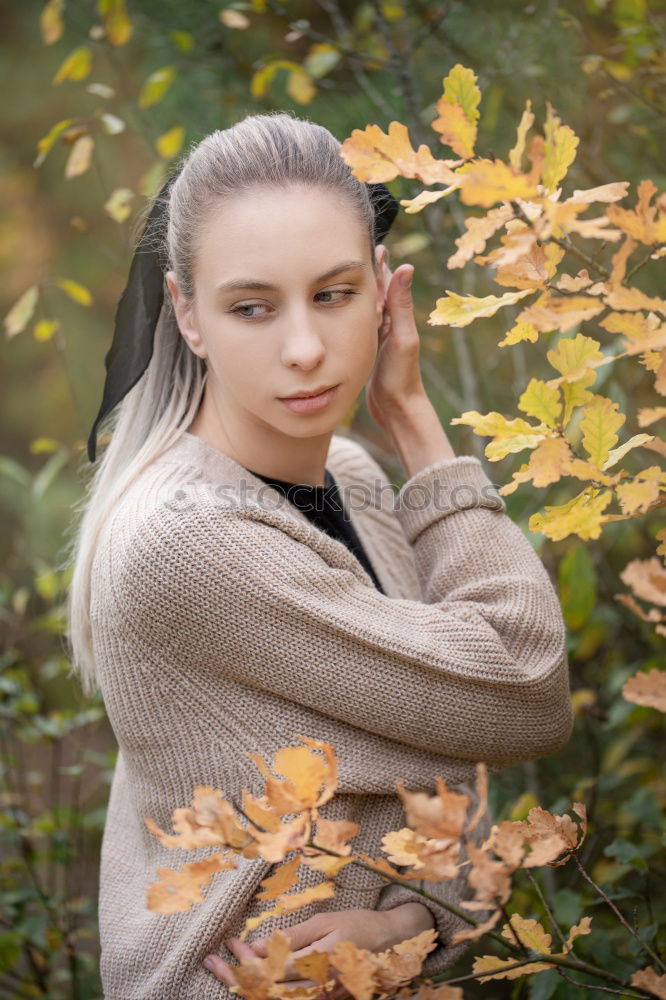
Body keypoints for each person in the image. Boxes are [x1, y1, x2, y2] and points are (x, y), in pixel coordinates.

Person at [64, 110, 573, 1000]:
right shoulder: (189, 544)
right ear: (185, 311)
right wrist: (419, 424)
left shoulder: (345, 471)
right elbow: (524, 689)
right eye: (252, 307)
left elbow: (451, 761)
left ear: (384, 289)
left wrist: (409, 921)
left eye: (333, 294)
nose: (304, 350)